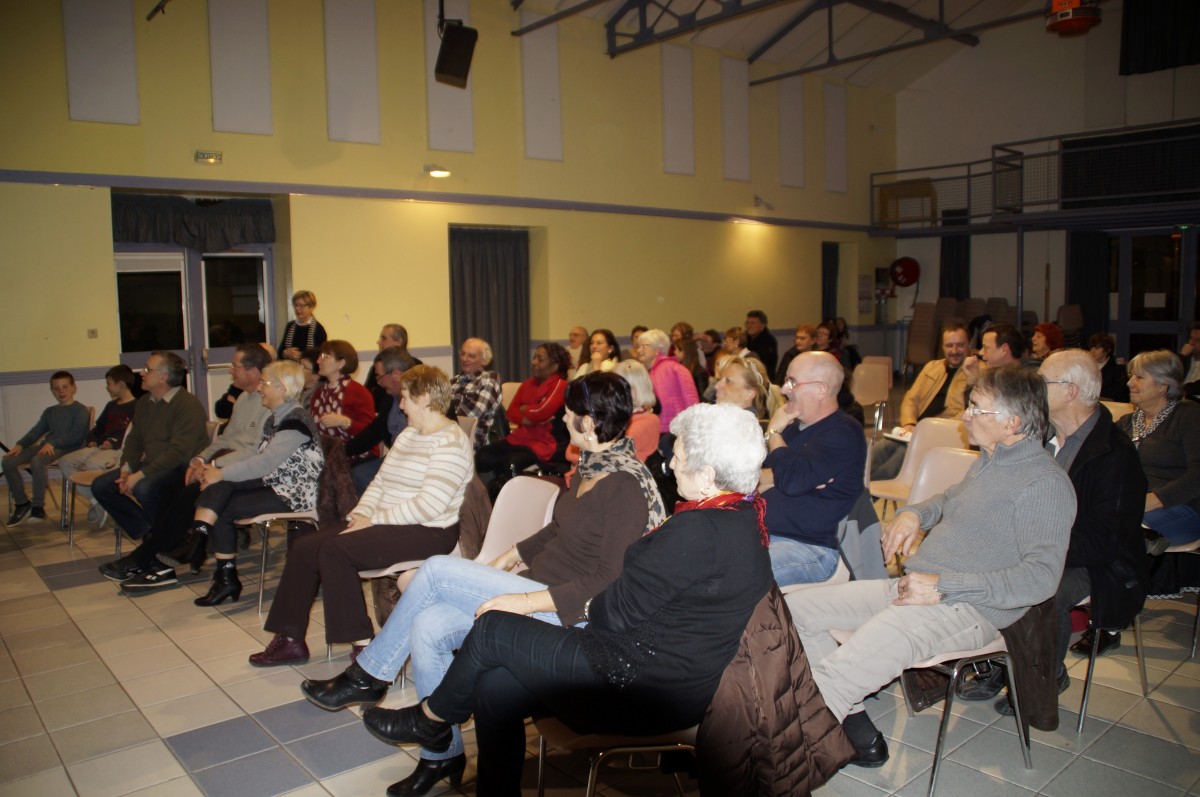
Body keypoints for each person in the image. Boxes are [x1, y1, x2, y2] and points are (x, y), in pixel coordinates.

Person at [353, 403, 772, 797]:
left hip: (636, 687)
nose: (671, 464)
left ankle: (431, 718)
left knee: (494, 627)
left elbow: (614, 613)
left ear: (708, 474)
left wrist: (569, 602)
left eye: (678, 457)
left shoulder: (697, 531)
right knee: (494, 687)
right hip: (666, 681)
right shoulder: (745, 521)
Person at [301, 372, 665, 797]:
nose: (563, 419)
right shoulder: (592, 467)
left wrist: (525, 601)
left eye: (569, 414)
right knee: (428, 625)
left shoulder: (623, 485)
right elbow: (561, 528)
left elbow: (609, 580)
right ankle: (441, 755)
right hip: (536, 585)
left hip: (564, 612)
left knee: (435, 570)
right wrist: (511, 554)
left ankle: (370, 675)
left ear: (587, 423)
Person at [787, 366, 1075, 767]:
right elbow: (948, 499)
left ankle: (785, 758)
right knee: (794, 613)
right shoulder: (990, 461)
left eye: (976, 408)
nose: (965, 415)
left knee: (844, 669)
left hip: (968, 607)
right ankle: (849, 722)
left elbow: (1040, 579)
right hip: (919, 588)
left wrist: (944, 585)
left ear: (1012, 423)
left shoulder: (1044, 484)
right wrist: (914, 514)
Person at [962, 350, 1147, 714]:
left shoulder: (1115, 455)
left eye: (1042, 382)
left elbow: (1104, 541)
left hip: (1097, 564)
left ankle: (1043, 675)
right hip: (1037, 546)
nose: (1033, 388)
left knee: (1043, 589)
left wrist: (1029, 552)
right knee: (971, 566)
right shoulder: (1037, 436)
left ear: (1070, 391)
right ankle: (998, 663)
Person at [250, 365, 473, 665]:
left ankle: (365, 647)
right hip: (388, 521)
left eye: (405, 398)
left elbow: (429, 506)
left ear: (424, 399)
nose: (401, 405)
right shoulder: (409, 435)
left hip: (428, 530)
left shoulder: (451, 442)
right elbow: (380, 482)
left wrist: (374, 519)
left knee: (336, 551)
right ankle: (290, 640)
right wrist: (361, 513)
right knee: (305, 547)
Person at [101, 344, 273, 586]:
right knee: (178, 493)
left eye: (234, 365)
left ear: (253, 371)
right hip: (224, 465)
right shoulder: (244, 398)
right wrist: (199, 459)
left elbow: (254, 451)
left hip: (244, 470)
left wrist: (212, 465)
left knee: (184, 494)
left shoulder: (270, 403)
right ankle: (169, 553)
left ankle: (151, 558)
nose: (230, 369)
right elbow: (225, 439)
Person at [168, 360, 324, 605]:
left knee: (224, 501)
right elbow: (254, 453)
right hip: (274, 482)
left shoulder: (295, 421)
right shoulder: (274, 418)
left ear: (282, 389)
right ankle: (204, 546)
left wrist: (221, 473)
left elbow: (265, 463)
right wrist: (217, 470)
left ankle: (217, 568)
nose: (259, 388)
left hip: (294, 492)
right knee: (221, 488)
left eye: (264, 383)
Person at [761, 352, 866, 586]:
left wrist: (774, 433)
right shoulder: (793, 429)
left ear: (821, 390)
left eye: (792, 382)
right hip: (763, 535)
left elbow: (791, 481)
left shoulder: (844, 432)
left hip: (809, 548)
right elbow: (752, 480)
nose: (784, 389)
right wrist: (784, 471)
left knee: (735, 580)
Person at [90, 352, 209, 543]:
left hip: (181, 467)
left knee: (144, 488)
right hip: (153, 464)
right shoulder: (145, 402)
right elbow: (134, 440)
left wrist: (139, 475)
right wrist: (126, 469)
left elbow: (180, 452)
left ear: (163, 377)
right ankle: (150, 530)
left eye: (147, 369)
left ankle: (163, 536)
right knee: (101, 486)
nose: (142, 373)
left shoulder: (188, 405)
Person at [1119, 350, 1200, 549]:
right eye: (1130, 376)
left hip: (1182, 506)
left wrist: (1151, 500)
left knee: (1118, 530)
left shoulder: (1188, 416)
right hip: (1131, 506)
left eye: (1139, 377)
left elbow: (1197, 475)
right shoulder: (1125, 423)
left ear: (1163, 386)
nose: (1130, 383)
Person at [869, 324, 970, 480]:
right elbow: (911, 399)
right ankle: (854, 486)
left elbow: (968, 413)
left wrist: (928, 429)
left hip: (940, 435)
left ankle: (865, 491)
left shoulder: (978, 372)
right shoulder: (932, 367)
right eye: (949, 345)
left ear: (969, 344)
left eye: (960, 345)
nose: (954, 350)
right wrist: (909, 424)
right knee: (877, 451)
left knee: (895, 463)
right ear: (943, 347)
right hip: (915, 430)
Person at [475, 343, 571, 490]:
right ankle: (500, 487)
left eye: (540, 359)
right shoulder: (528, 384)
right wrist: (529, 418)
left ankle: (514, 495)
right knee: (482, 457)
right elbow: (511, 412)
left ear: (554, 366)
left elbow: (541, 412)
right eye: (534, 358)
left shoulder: (560, 385)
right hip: (521, 438)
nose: (534, 362)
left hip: (546, 444)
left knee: (511, 462)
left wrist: (524, 408)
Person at [53, 364, 138, 524]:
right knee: (65, 462)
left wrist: (112, 442)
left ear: (121, 385)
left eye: (109, 384)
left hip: (119, 450)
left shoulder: (138, 407)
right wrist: (92, 440)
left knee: (92, 464)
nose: (107, 387)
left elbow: (134, 435)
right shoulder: (111, 406)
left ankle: (102, 499)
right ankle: (96, 501)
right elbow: (98, 428)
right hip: (99, 447)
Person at [3, 371, 90, 526]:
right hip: (47, 446)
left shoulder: (80, 410)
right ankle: (22, 503)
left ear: (74, 388)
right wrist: (21, 444)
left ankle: (38, 507)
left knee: (38, 461)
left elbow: (76, 435)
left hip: (69, 448)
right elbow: (36, 431)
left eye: (65, 387)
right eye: (56, 388)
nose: (61, 391)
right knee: (8, 462)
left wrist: (54, 443)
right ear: (52, 391)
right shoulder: (50, 411)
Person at [563, 362, 659, 486]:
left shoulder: (648, 421)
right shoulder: (607, 419)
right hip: (584, 477)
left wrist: (586, 447)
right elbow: (572, 453)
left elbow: (577, 454)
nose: (612, 392)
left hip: (611, 480)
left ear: (640, 389)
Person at [348, 348, 417, 494]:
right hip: (395, 459)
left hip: (417, 462)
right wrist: (343, 450)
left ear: (396, 373)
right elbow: (374, 432)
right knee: (358, 473)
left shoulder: (427, 398)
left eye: (380, 377)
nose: (378, 383)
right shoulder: (389, 399)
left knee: (364, 476)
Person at [310, 339, 376, 462]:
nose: (318, 361)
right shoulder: (319, 393)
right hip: (327, 457)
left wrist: (345, 422)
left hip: (357, 457)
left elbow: (371, 433)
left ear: (341, 363)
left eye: (325, 356)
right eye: (320, 356)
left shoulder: (358, 392)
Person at [634, 329, 700, 436]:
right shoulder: (643, 372)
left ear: (658, 349)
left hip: (674, 430)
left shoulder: (675, 368)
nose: (639, 350)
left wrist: (692, 429)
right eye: (638, 346)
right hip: (654, 429)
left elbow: (691, 400)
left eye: (644, 346)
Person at [447, 337, 502, 451]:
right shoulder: (453, 381)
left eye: (471, 356)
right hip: (451, 439)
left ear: (483, 360)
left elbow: (472, 415)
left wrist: (443, 422)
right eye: (462, 354)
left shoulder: (489, 379)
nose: (464, 358)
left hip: (476, 446)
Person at [365, 324, 422, 414]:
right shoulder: (376, 368)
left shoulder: (417, 367)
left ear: (398, 342)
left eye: (383, 338)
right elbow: (366, 397)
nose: (378, 342)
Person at [715, 355, 776, 420]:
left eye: (728, 381)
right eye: (719, 379)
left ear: (749, 394)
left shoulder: (745, 425)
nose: (717, 386)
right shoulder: (725, 419)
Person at [278, 290, 327, 362]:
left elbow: (321, 356)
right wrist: (285, 353)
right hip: (289, 367)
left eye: (301, 305)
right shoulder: (290, 326)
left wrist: (303, 356)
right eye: (296, 305)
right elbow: (279, 353)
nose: (297, 309)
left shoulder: (319, 329)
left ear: (311, 307)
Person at [1088, 332, 1130, 403]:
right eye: (1091, 347)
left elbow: (1119, 394)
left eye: (1097, 348)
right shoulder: (1086, 366)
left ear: (1108, 350)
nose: (1093, 351)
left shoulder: (1118, 368)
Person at [745, 310, 778, 376]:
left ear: (762, 325)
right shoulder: (745, 338)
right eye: (747, 323)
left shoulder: (769, 341)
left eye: (752, 323)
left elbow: (765, 366)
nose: (748, 326)